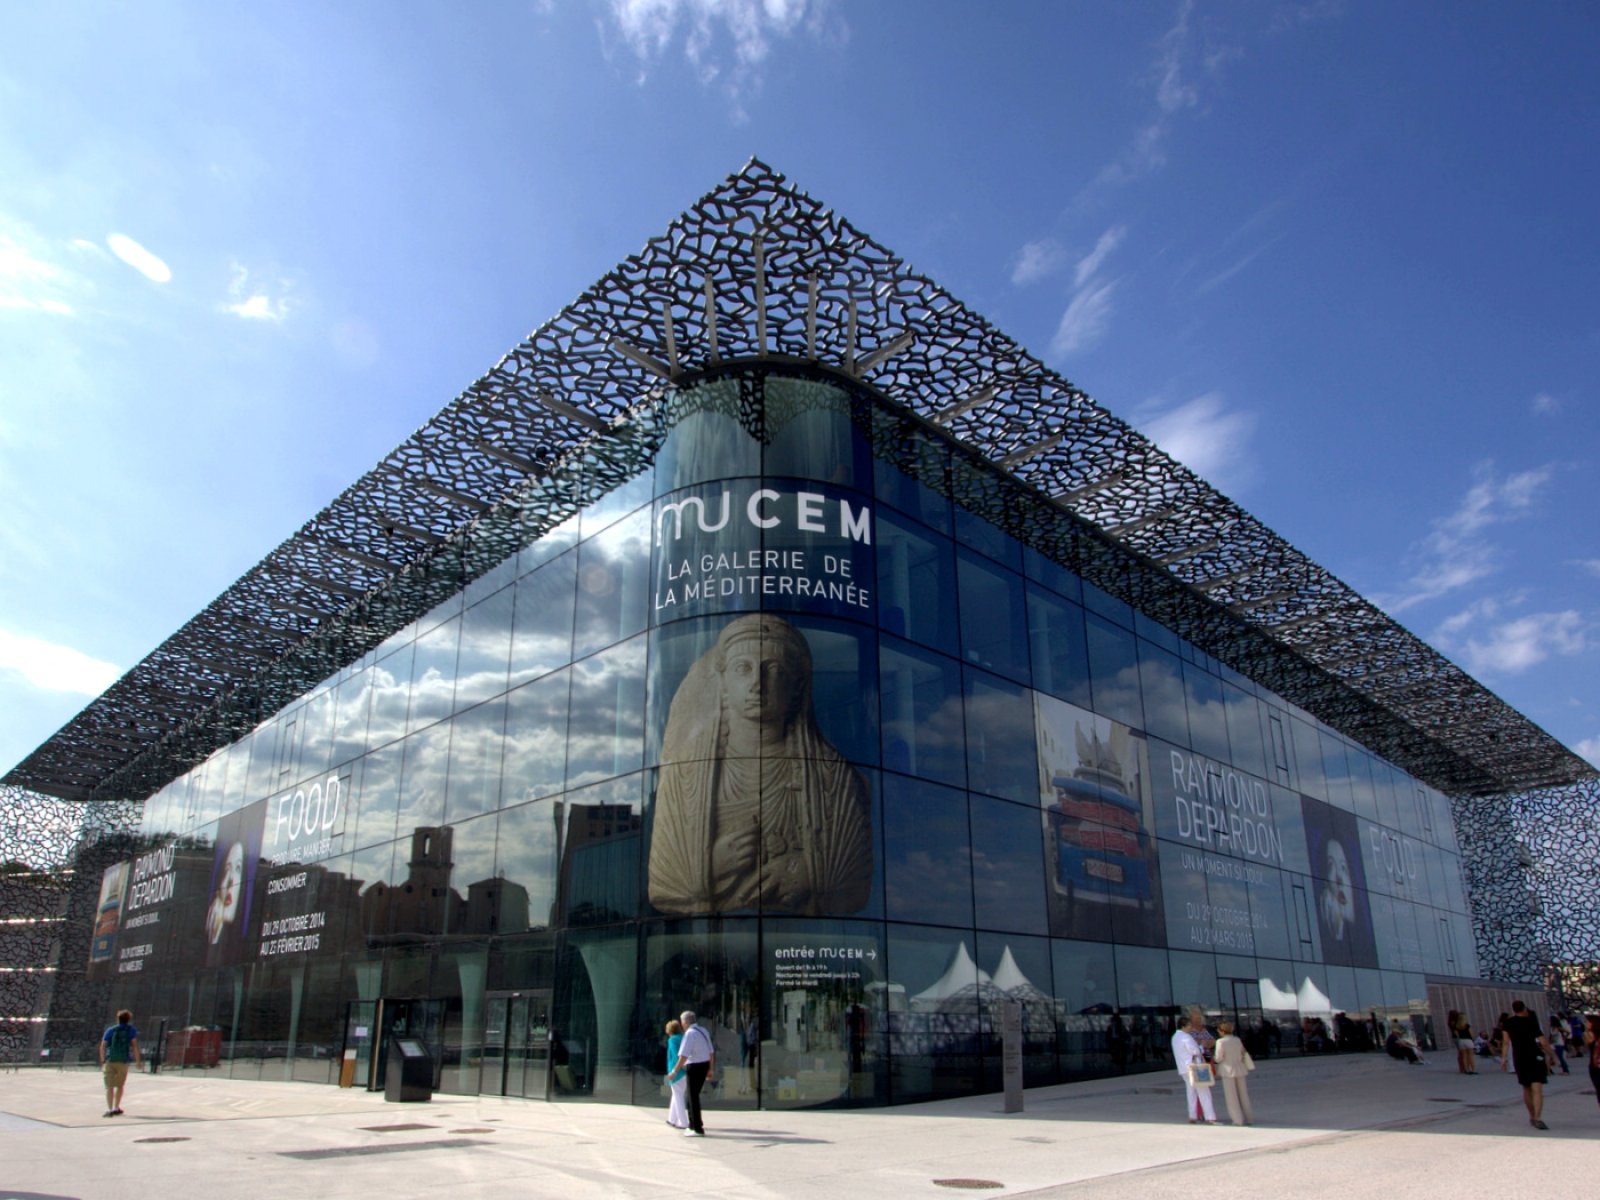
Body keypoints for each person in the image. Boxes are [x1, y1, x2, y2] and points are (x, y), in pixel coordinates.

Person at [648, 614, 873, 916]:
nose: (758, 684)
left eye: (774, 670)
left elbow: (856, 881)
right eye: (743, 669)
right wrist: (711, 865)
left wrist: (805, 872)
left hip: (805, 940)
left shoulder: (830, 774)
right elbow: (662, 885)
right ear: (724, 683)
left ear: (795, 688)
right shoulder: (687, 773)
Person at [1501, 1000, 1554, 1130]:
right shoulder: (1531, 1021)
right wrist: (1552, 1055)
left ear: (1513, 1010)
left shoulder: (1508, 1023)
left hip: (1519, 1057)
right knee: (1537, 1088)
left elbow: (1506, 1043)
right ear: (1524, 1008)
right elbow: (1543, 1042)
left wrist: (1504, 1058)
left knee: (1526, 1088)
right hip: (1534, 1055)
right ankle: (1538, 1117)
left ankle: (1531, 1116)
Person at [671, 1010, 716, 1137]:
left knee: (692, 1097)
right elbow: (711, 1052)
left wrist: (675, 1071)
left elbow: (683, 1055)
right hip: (704, 1064)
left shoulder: (689, 1034)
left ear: (685, 1022)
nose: (681, 1024)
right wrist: (710, 1069)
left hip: (694, 1066)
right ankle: (694, 1125)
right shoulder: (704, 1031)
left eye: (682, 1022)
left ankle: (696, 1127)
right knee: (693, 1096)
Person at [1171, 1007, 1217, 1124]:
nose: (1191, 1027)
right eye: (1189, 1025)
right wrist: (1201, 1045)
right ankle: (1210, 1116)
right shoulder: (1186, 1037)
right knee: (1203, 1091)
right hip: (1194, 1067)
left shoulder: (1175, 1037)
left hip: (1183, 1068)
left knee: (1190, 1092)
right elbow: (1195, 1051)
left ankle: (1193, 1115)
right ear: (1184, 1026)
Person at [99, 1009, 141, 1117]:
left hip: (110, 1060)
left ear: (118, 1019)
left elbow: (103, 1045)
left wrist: (103, 1060)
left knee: (109, 1086)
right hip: (123, 1061)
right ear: (128, 1019)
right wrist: (137, 1061)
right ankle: (116, 1107)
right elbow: (135, 1046)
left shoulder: (111, 1030)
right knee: (120, 1085)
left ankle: (109, 1109)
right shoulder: (131, 1030)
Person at [1212, 1020, 1254, 1126]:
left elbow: (1218, 1058)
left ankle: (1237, 1120)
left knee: (1231, 1097)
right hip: (1239, 1068)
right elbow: (1242, 1053)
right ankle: (1249, 1118)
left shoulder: (1220, 1042)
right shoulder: (1237, 1040)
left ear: (1222, 1031)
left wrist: (1211, 1057)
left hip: (1227, 1070)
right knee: (1243, 1095)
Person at [662, 1019, 689, 1129]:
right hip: (684, 1072)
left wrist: (673, 1071)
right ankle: (671, 1119)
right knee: (677, 1094)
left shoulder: (672, 1040)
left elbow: (675, 1055)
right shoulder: (683, 1038)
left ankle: (683, 1122)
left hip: (676, 1071)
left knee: (678, 1097)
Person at [1449, 1010, 1477, 1074]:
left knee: (1464, 1056)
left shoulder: (1456, 1026)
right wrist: (1473, 1039)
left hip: (1461, 1041)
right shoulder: (1467, 1025)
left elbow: (1457, 1035)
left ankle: (1466, 1070)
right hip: (1468, 1040)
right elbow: (1471, 1034)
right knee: (1471, 1056)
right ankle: (1473, 1070)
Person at [1584, 1014, 1600, 1111]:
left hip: (1594, 1066)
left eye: (1586, 1022)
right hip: (1594, 1066)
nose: (1585, 1023)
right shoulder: (1589, 1034)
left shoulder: (1588, 1034)